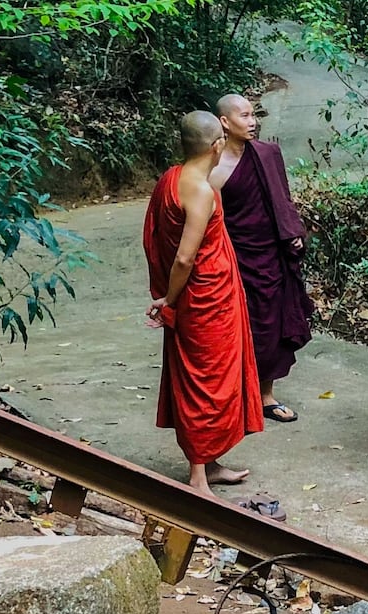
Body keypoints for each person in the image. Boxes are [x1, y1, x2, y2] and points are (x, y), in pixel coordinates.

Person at [143, 111, 264, 495]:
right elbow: (183, 257)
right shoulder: (200, 190)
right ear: (216, 146)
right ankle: (198, 477)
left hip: (211, 295)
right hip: (203, 300)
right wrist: (169, 301)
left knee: (209, 377)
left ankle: (210, 464)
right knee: (206, 382)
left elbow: (155, 238)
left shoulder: (171, 178)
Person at [210, 92, 313, 424]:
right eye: (243, 116)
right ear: (224, 122)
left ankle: (265, 395)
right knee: (234, 329)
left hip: (270, 255)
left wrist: (293, 230)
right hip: (234, 258)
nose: (252, 122)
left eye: (254, 115)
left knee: (271, 327)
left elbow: (283, 199)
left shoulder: (268, 154)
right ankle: (236, 394)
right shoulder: (213, 167)